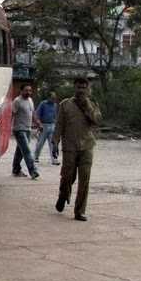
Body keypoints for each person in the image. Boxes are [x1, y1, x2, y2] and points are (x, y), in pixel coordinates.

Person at [54, 77, 102, 221]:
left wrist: (87, 106)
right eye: (78, 87)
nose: (81, 90)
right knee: (67, 176)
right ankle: (63, 195)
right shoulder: (65, 104)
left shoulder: (92, 104)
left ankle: (79, 211)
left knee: (84, 179)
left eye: (84, 88)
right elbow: (59, 125)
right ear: (74, 88)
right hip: (69, 146)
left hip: (87, 146)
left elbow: (98, 120)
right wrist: (55, 142)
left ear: (88, 89)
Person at [10, 82, 39, 179]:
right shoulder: (17, 101)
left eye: (30, 90)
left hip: (28, 129)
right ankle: (33, 171)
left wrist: (38, 123)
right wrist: (8, 129)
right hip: (19, 130)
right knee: (26, 151)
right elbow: (12, 114)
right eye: (26, 90)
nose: (28, 92)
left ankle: (16, 169)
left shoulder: (30, 100)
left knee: (20, 151)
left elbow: (33, 113)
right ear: (21, 91)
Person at [34, 91, 60, 166]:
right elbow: (37, 114)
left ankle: (54, 159)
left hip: (52, 125)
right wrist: (39, 124)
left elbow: (55, 116)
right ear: (48, 97)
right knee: (40, 143)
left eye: (54, 98)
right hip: (44, 126)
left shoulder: (55, 105)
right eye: (52, 98)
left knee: (53, 144)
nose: (54, 99)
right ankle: (36, 157)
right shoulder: (43, 104)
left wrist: (56, 125)